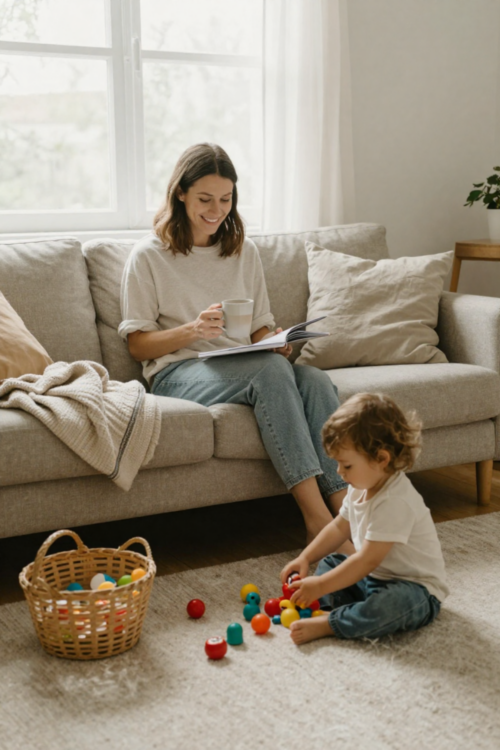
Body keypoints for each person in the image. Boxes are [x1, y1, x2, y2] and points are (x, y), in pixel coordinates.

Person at [118, 142, 348, 541]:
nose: (216, 209)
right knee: (272, 372)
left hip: (244, 366)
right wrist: (193, 330)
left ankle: (348, 513)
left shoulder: (243, 251)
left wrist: (272, 340)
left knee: (313, 380)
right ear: (181, 193)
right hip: (177, 373)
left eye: (225, 199)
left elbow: (259, 324)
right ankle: (317, 521)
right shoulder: (149, 255)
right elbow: (138, 345)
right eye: (205, 198)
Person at [281, 392, 449, 644]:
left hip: (414, 590)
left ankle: (331, 623)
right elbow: (338, 527)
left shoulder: (395, 501)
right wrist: (305, 557)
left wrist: (321, 585)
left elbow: (367, 560)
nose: (339, 472)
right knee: (331, 562)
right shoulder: (360, 485)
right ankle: (325, 609)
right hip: (373, 579)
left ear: (381, 459)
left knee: (391, 606)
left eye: (346, 466)